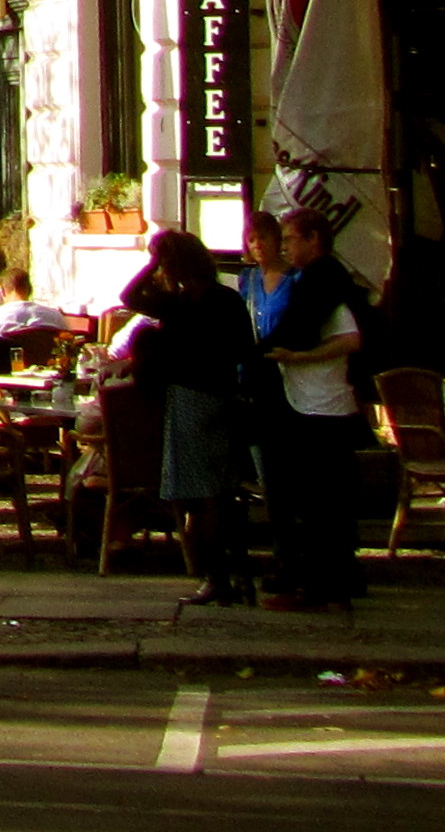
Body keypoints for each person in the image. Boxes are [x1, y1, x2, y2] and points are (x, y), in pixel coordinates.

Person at [114, 227, 257, 604]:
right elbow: (246, 350)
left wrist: (154, 261)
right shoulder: (228, 299)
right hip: (225, 398)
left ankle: (216, 577)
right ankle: (242, 574)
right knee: (226, 493)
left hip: (189, 400)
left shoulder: (177, 305)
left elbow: (128, 295)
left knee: (198, 496)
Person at [256, 211, 370, 609]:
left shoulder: (323, 279)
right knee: (322, 500)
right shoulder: (312, 279)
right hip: (311, 399)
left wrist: (296, 356)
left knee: (321, 501)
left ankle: (322, 585)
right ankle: (335, 578)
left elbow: (349, 338)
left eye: (290, 238)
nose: (285, 246)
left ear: (314, 239)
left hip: (323, 405)